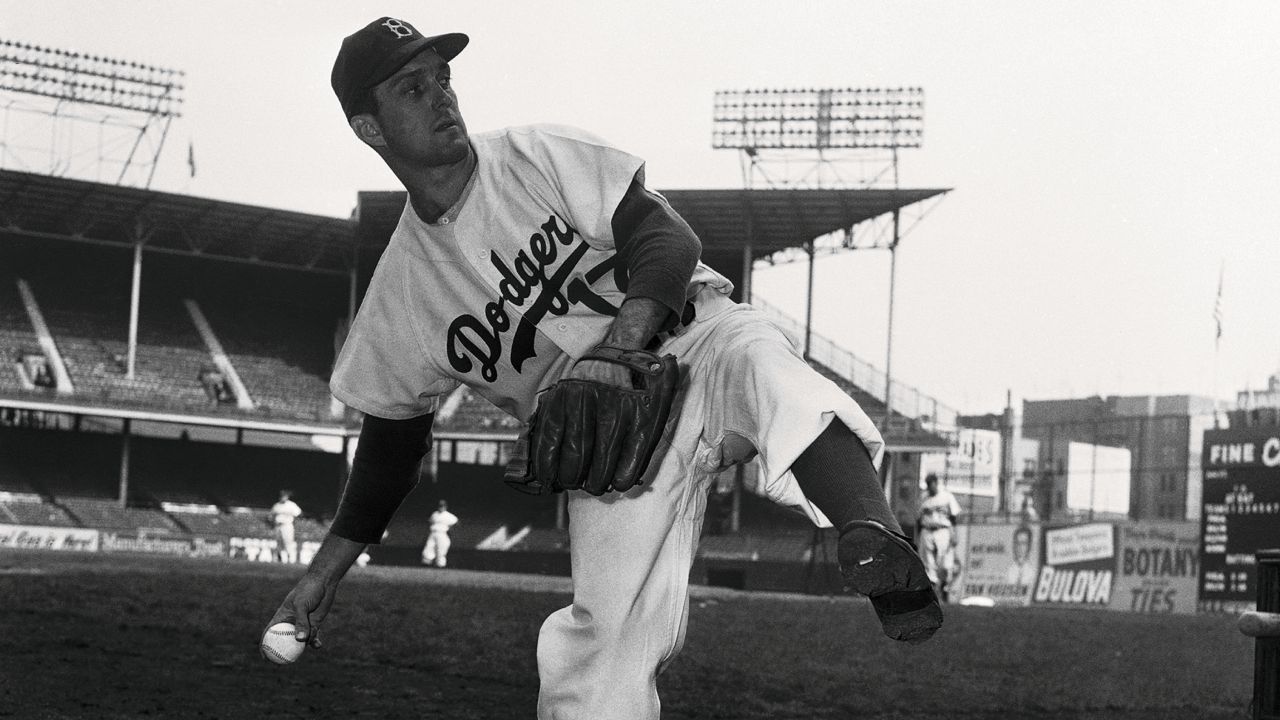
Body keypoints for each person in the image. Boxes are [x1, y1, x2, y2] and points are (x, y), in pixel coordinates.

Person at [265, 17, 942, 719]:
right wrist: (321, 578)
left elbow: (665, 235)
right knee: (599, 653)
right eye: (413, 88)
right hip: (612, 453)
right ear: (371, 130)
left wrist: (621, 348)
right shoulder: (400, 294)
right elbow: (387, 457)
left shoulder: (537, 154)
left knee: (765, 361)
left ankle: (878, 545)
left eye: (443, 79)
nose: (442, 98)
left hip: (693, 343)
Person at [916, 473, 962, 601]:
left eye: (932, 484)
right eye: (928, 485)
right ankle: (933, 592)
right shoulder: (923, 497)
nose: (930, 488)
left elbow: (954, 517)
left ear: (936, 483)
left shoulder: (946, 496)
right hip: (927, 530)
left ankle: (945, 586)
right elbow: (918, 519)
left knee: (945, 564)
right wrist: (918, 534)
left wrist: (954, 533)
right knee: (928, 562)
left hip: (943, 530)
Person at [421, 499, 459, 567]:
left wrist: (450, 530)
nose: (441, 507)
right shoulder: (434, 514)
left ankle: (440, 565)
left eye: (443, 505)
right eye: (440, 505)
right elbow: (430, 522)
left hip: (442, 533)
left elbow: (456, 522)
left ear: (446, 506)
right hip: (433, 533)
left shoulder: (448, 515)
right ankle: (426, 563)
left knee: (441, 549)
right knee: (429, 547)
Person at [269, 490, 303, 564]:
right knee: (279, 542)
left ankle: (291, 559)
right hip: (278, 526)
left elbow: (299, 513)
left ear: (287, 497)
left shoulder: (291, 505)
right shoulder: (276, 505)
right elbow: (271, 516)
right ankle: (281, 559)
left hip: (287, 525)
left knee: (288, 542)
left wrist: (294, 522)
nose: (283, 497)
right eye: (281, 496)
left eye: (284, 496)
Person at [1004, 523, 1037, 589]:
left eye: (1023, 543)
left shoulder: (1034, 572)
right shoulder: (1009, 571)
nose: (1019, 547)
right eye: (1017, 543)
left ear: (1029, 546)